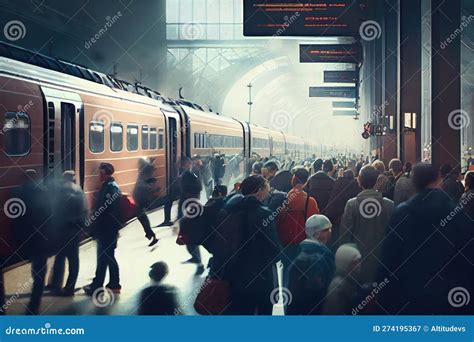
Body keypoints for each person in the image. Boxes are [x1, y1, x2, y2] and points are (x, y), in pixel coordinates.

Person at [378, 163, 474, 314]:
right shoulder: (456, 213)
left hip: (409, 297)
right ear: (438, 180)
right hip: (451, 298)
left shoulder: (401, 214)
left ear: (414, 183)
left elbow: (389, 260)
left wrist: (385, 300)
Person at [225, 175, 281, 315]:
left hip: (235, 276)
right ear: (259, 190)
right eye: (267, 189)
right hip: (261, 276)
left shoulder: (230, 210)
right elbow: (274, 249)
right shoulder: (264, 214)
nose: (268, 192)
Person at [339, 165, 394, 283]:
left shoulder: (352, 205)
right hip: (383, 259)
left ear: (359, 180)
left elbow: (345, 236)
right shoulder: (389, 205)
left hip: (357, 261)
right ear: (376, 180)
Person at [12, 170, 54, 314]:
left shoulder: (19, 194)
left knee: (35, 271)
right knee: (39, 274)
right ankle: (34, 304)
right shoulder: (44, 193)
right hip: (42, 240)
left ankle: (34, 304)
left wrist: (18, 240)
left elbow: (16, 221)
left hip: (28, 240)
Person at [84, 163, 123, 295]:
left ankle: (97, 285)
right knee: (108, 256)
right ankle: (113, 283)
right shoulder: (110, 186)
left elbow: (106, 209)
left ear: (106, 173)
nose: (99, 175)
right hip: (109, 229)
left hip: (107, 229)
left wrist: (95, 221)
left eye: (101, 173)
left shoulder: (110, 188)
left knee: (103, 257)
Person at [276, 168, 319, 286]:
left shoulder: (282, 198)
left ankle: (286, 300)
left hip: (285, 243)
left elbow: (277, 220)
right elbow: (315, 224)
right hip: (304, 244)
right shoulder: (310, 201)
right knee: (303, 277)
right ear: (306, 181)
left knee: (286, 275)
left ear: (293, 179)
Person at [287, 214, 336, 315]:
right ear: (317, 234)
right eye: (327, 229)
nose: (330, 232)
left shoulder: (295, 254)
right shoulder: (323, 257)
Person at [50, 171, 87, 296]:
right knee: (73, 260)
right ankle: (70, 287)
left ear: (63, 177)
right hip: (74, 231)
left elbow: (55, 211)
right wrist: (82, 228)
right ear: (73, 178)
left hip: (62, 230)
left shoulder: (60, 191)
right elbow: (84, 211)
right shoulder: (79, 191)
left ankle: (55, 284)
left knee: (59, 258)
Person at [323, 169, 361, 250]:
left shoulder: (337, 184)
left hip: (334, 219)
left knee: (335, 245)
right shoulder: (356, 186)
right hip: (348, 220)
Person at [179, 163, 205, 274]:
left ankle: (198, 262)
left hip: (191, 214)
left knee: (191, 239)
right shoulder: (193, 178)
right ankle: (196, 259)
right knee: (191, 240)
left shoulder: (187, 179)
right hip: (191, 213)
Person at [322, 244, 363, 315]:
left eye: (359, 261)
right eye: (354, 262)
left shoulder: (350, 280)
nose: (358, 265)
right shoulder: (337, 286)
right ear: (344, 263)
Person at [157, 157, 192, 227]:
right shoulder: (181, 170)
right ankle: (171, 220)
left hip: (181, 191)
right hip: (179, 190)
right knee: (169, 202)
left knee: (170, 202)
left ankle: (172, 220)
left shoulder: (184, 171)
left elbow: (180, 180)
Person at [132, 158, 159, 246]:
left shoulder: (144, 175)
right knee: (142, 216)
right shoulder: (145, 175)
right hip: (140, 198)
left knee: (141, 216)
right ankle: (149, 234)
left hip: (140, 199)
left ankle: (151, 234)